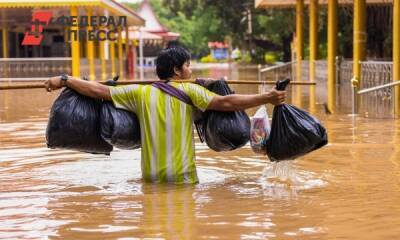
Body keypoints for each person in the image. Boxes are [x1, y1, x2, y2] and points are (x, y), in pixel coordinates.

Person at [44, 47, 286, 184]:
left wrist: (64, 79)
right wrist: (267, 98)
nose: (191, 70)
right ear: (177, 70)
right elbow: (226, 102)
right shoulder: (191, 91)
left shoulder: (140, 93)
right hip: (184, 179)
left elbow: (98, 90)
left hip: (150, 179)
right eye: (188, 65)